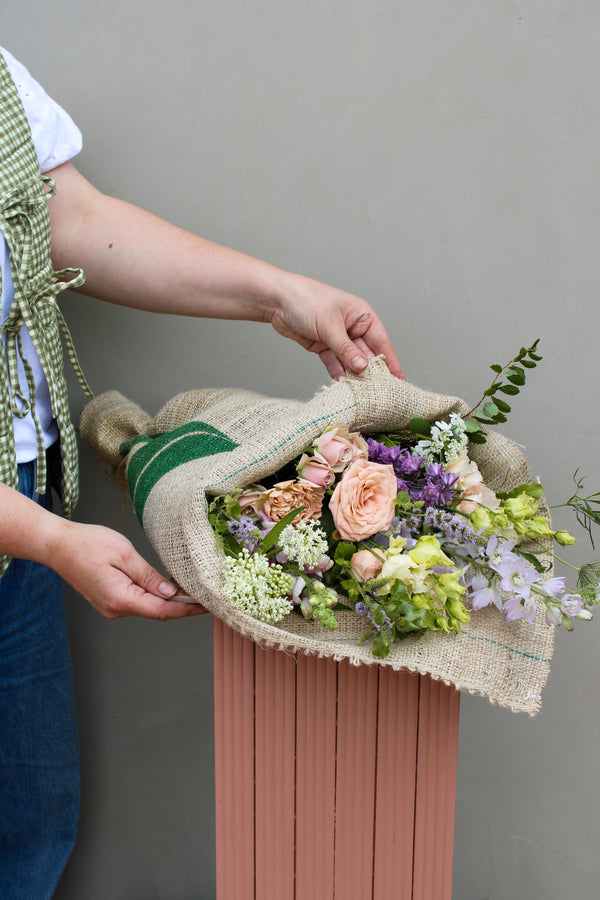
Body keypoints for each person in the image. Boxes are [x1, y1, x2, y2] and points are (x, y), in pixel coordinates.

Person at [0, 47, 403, 898]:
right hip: (25, 529)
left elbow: (65, 218)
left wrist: (278, 295)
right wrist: (46, 539)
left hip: (20, 515)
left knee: (28, 817)